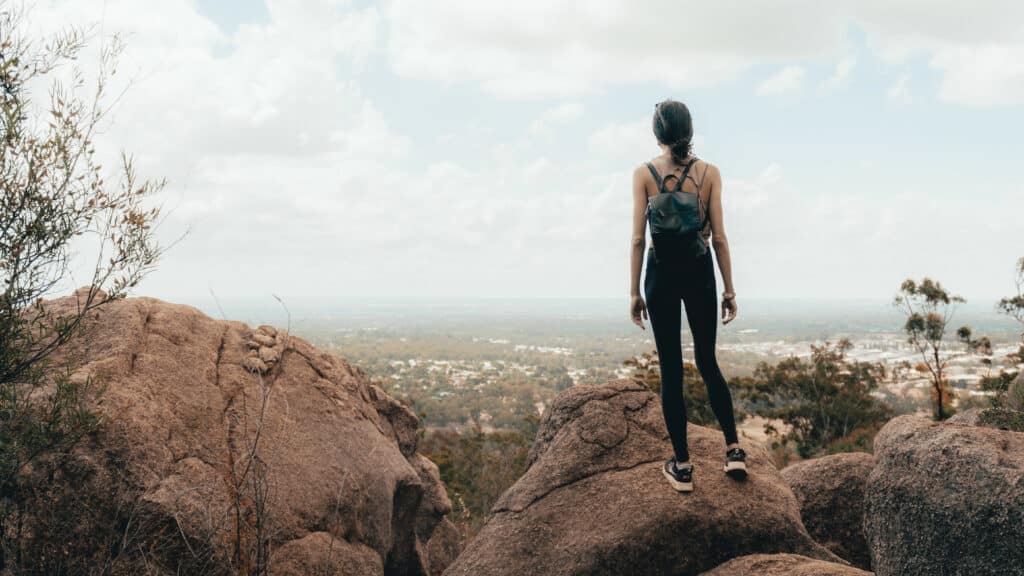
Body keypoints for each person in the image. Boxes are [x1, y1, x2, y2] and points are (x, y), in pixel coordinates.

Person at [628, 98, 746, 493]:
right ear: (690, 130)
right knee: (708, 361)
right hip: (699, 274)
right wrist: (729, 288)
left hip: (660, 276)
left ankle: (682, 467)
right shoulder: (709, 173)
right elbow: (720, 237)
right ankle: (733, 451)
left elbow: (637, 240)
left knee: (671, 371)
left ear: (657, 132)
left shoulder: (643, 175)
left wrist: (634, 292)